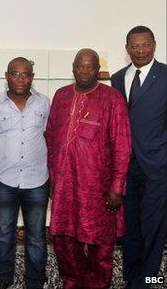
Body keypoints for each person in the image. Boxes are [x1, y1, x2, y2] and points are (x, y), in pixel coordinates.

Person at [46, 49, 131, 288]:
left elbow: (123, 145)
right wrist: (53, 178)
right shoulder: (61, 96)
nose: (84, 71)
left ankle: (97, 284)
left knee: (99, 242)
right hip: (64, 186)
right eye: (80, 66)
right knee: (63, 238)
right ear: (73, 68)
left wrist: (116, 187)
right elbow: (51, 138)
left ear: (98, 70)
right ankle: (72, 281)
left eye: (90, 66)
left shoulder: (112, 98)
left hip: (98, 188)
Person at [0, 57, 50, 289]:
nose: (20, 79)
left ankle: (35, 281)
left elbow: (51, 138)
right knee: (3, 234)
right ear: (7, 76)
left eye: (26, 74)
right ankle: (2, 280)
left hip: (37, 180)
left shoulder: (44, 103)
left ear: (32, 77)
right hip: (4, 181)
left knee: (37, 237)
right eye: (15, 74)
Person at [110, 26, 167, 289]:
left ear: (154, 45)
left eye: (146, 45)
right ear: (127, 48)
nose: (141, 50)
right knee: (129, 226)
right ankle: (132, 278)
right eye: (135, 46)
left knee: (153, 227)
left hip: (157, 167)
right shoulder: (118, 78)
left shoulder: (165, 75)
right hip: (125, 167)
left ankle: (149, 280)